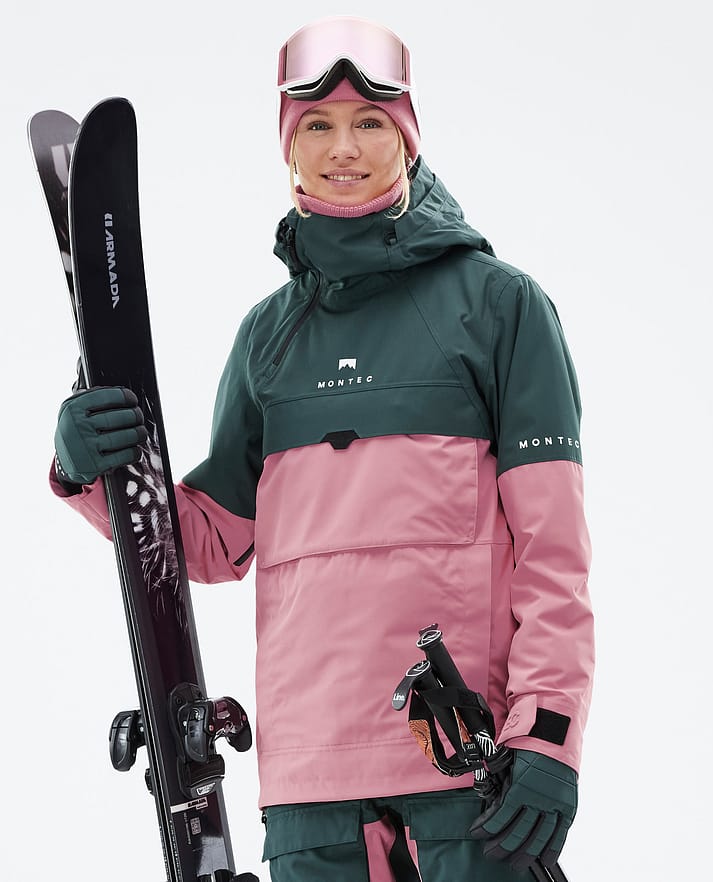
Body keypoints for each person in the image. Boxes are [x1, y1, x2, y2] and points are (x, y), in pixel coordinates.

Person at [51, 15, 594, 882]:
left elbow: (552, 553)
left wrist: (550, 733)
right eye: (317, 126)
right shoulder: (267, 338)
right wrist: (94, 474)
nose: (344, 149)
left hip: (464, 767)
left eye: (371, 122)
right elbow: (213, 542)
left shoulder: (500, 309)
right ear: (289, 149)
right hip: (309, 788)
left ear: (408, 138)